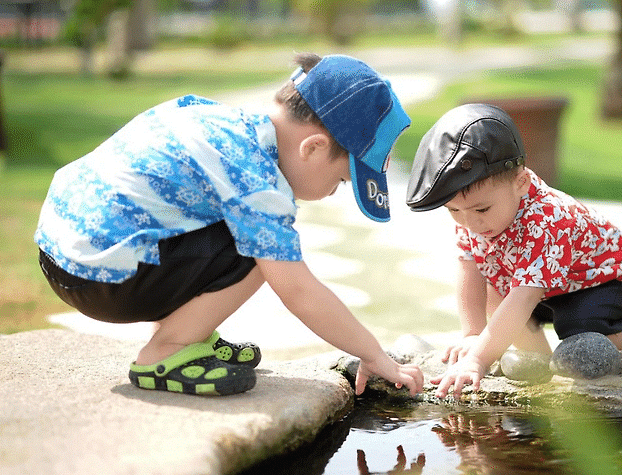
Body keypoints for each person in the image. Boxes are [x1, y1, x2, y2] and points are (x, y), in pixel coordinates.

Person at [35, 53, 424, 397]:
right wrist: (373, 354)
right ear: (314, 148)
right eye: (341, 181)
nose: (332, 193)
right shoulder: (255, 179)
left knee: (244, 231)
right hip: (100, 279)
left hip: (63, 252)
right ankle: (166, 352)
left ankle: (189, 334)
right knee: (264, 252)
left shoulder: (220, 120)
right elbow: (298, 290)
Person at [405, 103, 622, 399]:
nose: (470, 222)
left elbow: (524, 297)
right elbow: (469, 269)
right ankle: (540, 372)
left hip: (609, 280)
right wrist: (473, 334)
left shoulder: (547, 219)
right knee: (496, 292)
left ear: (520, 182)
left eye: (481, 208)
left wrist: (477, 359)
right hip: (549, 286)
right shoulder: (474, 217)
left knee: (579, 323)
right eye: (454, 210)